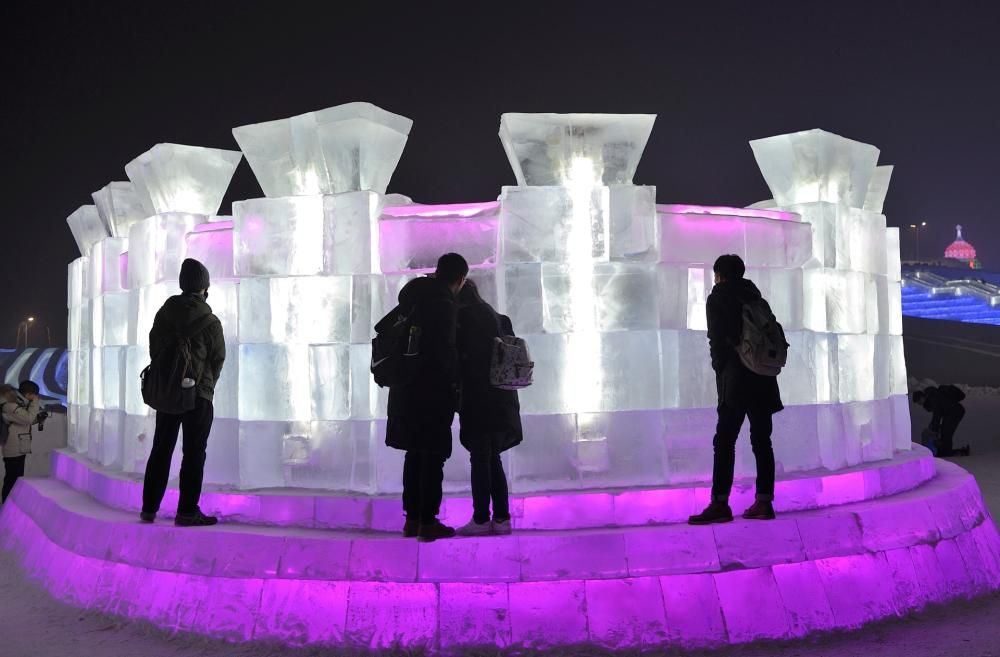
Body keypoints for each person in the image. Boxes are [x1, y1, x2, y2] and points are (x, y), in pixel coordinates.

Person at [690, 254, 784, 525]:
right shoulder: (755, 297)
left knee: (724, 441)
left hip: (736, 380)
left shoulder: (718, 297)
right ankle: (764, 501)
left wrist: (720, 370)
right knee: (762, 440)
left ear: (719, 275)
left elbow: (717, 339)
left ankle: (720, 503)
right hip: (763, 377)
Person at [385, 253, 468, 541]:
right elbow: (444, 351)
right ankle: (428, 522)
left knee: (414, 454)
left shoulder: (413, 298)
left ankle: (412, 520)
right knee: (433, 456)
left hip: (405, 390)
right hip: (431, 393)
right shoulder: (443, 303)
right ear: (460, 280)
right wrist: (455, 384)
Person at [141, 258, 226, 526]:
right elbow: (217, 359)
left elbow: (154, 348)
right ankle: (187, 511)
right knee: (194, 453)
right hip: (197, 395)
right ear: (204, 288)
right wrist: (205, 385)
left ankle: (149, 508)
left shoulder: (164, 314)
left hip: (167, 393)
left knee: (161, 449)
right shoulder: (210, 321)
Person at [454, 279, 522, 536]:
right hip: (502, 398)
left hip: (478, 399)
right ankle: (502, 518)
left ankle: (481, 518)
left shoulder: (463, 320)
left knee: (480, 458)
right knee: (492, 457)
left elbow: (463, 362)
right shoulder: (497, 318)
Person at [1, 381, 43, 503]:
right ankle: (7, 504)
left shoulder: (17, 404)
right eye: (34, 395)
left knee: (16, 479)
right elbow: (27, 418)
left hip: (19, 447)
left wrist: (38, 419)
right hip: (13, 449)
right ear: (28, 394)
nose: (35, 398)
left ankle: (13, 503)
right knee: (12, 480)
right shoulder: (10, 406)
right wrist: (35, 403)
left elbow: (24, 421)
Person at [912, 386, 970, 456]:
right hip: (951, 413)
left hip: (955, 412)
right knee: (944, 431)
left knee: (946, 433)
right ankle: (947, 451)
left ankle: (948, 453)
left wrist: (933, 430)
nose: (919, 403)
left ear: (922, 397)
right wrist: (933, 427)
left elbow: (937, 415)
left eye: (918, 401)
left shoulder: (933, 398)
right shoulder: (932, 397)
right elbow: (937, 415)